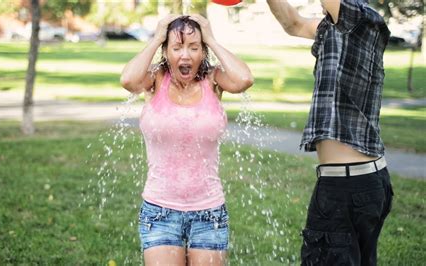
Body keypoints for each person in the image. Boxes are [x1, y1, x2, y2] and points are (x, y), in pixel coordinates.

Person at [265, 1, 393, 265]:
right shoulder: (336, 29)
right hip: (367, 181)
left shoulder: (359, 16)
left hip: (344, 187)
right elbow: (294, 23)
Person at [120, 14, 253, 265]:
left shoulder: (213, 80)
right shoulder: (156, 80)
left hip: (209, 212)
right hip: (159, 210)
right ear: (166, 51)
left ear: (203, 52)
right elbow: (128, 80)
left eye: (194, 47)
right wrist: (157, 36)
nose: (185, 55)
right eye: (177, 47)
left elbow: (244, 79)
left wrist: (211, 39)